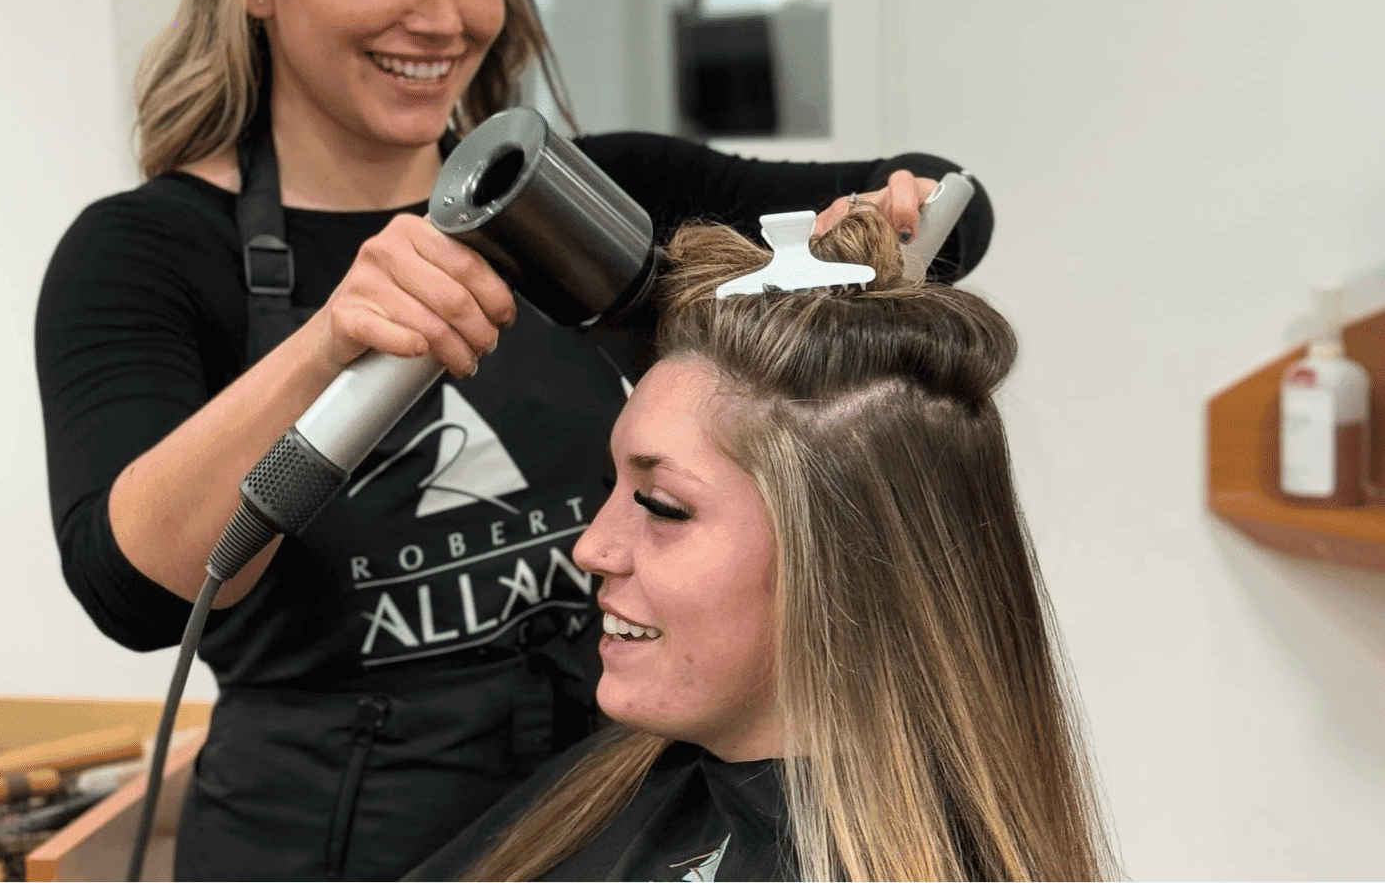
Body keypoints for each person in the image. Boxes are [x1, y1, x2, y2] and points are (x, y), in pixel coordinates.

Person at [33, 0, 994, 882]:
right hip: (323, 846)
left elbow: (944, 209)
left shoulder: (568, 205)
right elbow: (131, 589)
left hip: (600, 809)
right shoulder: (144, 254)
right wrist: (331, 342)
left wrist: (885, 218)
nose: (444, 16)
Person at [409, 209, 1116, 882]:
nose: (593, 547)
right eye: (611, 486)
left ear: (842, 559)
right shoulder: (611, 786)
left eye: (661, 506)